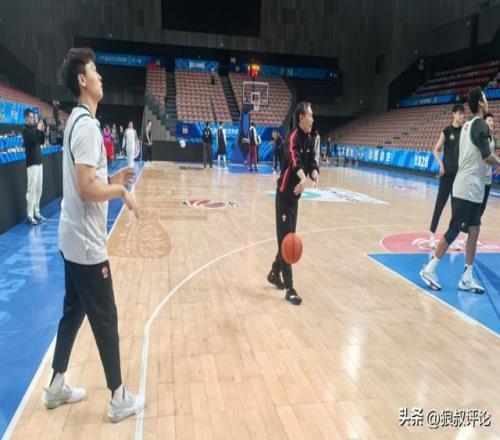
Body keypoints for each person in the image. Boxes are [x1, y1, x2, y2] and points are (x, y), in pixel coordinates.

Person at [44, 47, 144, 422]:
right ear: (82, 81)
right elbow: (87, 189)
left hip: (71, 237)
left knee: (74, 311)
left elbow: (85, 179)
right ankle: (118, 397)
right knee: (106, 316)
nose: (100, 76)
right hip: (86, 244)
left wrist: (111, 178)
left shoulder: (77, 120)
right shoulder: (86, 126)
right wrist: (120, 191)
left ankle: (55, 386)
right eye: (94, 70)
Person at [419, 88, 500, 294]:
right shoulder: (479, 125)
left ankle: (466, 277)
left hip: (472, 187)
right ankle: (429, 269)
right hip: (467, 187)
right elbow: (486, 156)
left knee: (474, 230)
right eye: (485, 98)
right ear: (480, 102)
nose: (487, 101)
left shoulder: (467, 126)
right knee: (455, 229)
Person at [267, 102, 319, 305]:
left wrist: (314, 173)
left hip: (295, 199)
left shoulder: (310, 139)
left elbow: (311, 161)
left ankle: (274, 272)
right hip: (284, 195)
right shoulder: (293, 137)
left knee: (287, 239)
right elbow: (293, 158)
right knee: (287, 240)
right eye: (310, 116)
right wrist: (302, 177)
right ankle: (290, 288)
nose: (312, 119)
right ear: (301, 118)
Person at [428, 103, 465, 250]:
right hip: (446, 175)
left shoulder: (465, 132)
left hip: (459, 176)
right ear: (453, 114)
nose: (462, 116)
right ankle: (431, 236)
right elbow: (436, 150)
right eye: (459, 113)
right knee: (439, 205)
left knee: (457, 209)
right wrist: (441, 165)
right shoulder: (446, 131)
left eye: (463, 113)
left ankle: (452, 238)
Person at [22, 109, 45, 225]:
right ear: (26, 118)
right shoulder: (25, 130)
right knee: (31, 189)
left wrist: (42, 131)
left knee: (39, 189)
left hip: (39, 161)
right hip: (31, 163)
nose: (33, 119)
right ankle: (29, 215)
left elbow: (41, 141)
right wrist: (38, 131)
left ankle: (37, 212)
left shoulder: (35, 129)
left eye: (33, 117)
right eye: (31, 117)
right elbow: (31, 142)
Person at [480, 112, 496, 216]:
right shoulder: (481, 137)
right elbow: (487, 157)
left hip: (488, 179)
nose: (492, 122)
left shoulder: (492, 138)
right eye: (489, 120)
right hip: (479, 179)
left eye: (492, 121)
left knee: (481, 209)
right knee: (474, 209)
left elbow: (492, 155)